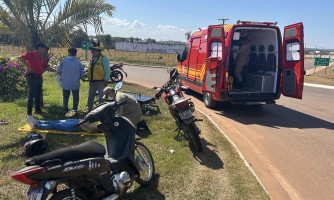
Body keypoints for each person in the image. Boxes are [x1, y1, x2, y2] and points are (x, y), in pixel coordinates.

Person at [18, 43, 56, 116]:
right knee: (31, 95)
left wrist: (57, 71)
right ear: (39, 48)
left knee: (38, 95)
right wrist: (28, 66)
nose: (45, 51)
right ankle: (29, 113)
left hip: (39, 77)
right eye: (44, 49)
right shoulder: (31, 54)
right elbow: (20, 57)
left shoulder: (41, 58)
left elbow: (47, 67)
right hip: (32, 77)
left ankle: (37, 110)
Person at [57, 48, 84, 114]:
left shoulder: (63, 61)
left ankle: (65, 109)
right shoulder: (78, 63)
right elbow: (82, 73)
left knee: (65, 96)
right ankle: (74, 109)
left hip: (65, 83)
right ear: (75, 54)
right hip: (75, 83)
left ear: (68, 53)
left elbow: (58, 71)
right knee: (75, 97)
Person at [86, 39, 110, 112]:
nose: (91, 51)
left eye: (93, 50)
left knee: (101, 97)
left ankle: (101, 111)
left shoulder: (103, 58)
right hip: (92, 81)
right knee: (90, 96)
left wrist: (106, 80)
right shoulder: (93, 58)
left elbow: (107, 70)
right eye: (91, 49)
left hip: (101, 82)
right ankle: (89, 109)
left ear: (99, 50)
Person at [27, 115, 99, 133]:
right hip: (78, 121)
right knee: (56, 122)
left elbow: (93, 129)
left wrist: (84, 122)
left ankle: (36, 125)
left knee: (55, 125)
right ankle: (40, 121)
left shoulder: (101, 127)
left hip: (76, 126)